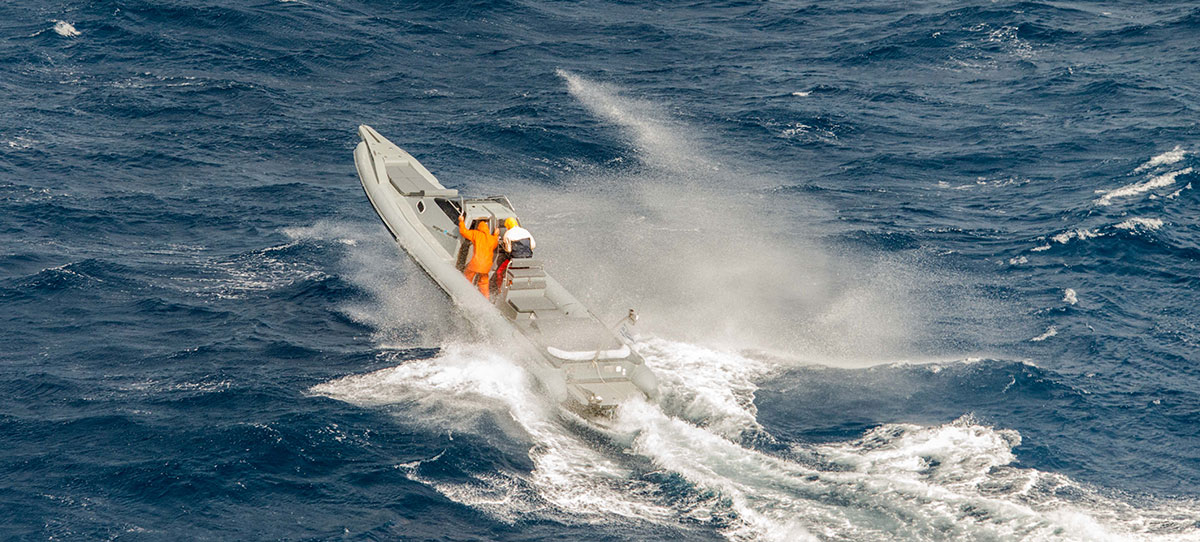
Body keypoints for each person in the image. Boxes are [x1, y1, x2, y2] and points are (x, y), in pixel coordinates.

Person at [458, 214, 499, 298]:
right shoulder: (492, 239)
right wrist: (496, 234)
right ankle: (486, 299)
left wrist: (461, 221)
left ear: (478, 227)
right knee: (484, 283)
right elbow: (495, 243)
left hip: (475, 263)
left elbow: (463, 232)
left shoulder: (475, 234)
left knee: (467, 277)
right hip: (486, 266)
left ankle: (465, 294)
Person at [492, 216, 536, 293]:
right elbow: (533, 245)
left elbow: (508, 250)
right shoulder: (525, 231)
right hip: (527, 259)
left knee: (500, 271)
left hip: (514, 260)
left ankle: (499, 289)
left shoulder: (508, 234)